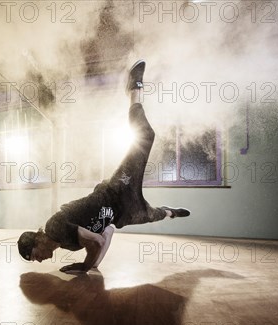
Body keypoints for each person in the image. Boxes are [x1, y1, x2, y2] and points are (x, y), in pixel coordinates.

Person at [17, 60, 190, 273]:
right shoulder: (66, 244)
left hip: (116, 192)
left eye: (35, 257)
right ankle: (170, 212)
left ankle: (134, 89)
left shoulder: (54, 227)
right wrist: (94, 264)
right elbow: (106, 233)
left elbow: (96, 243)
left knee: (145, 136)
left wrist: (84, 266)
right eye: (35, 261)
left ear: (37, 240)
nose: (40, 260)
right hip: (123, 213)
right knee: (154, 215)